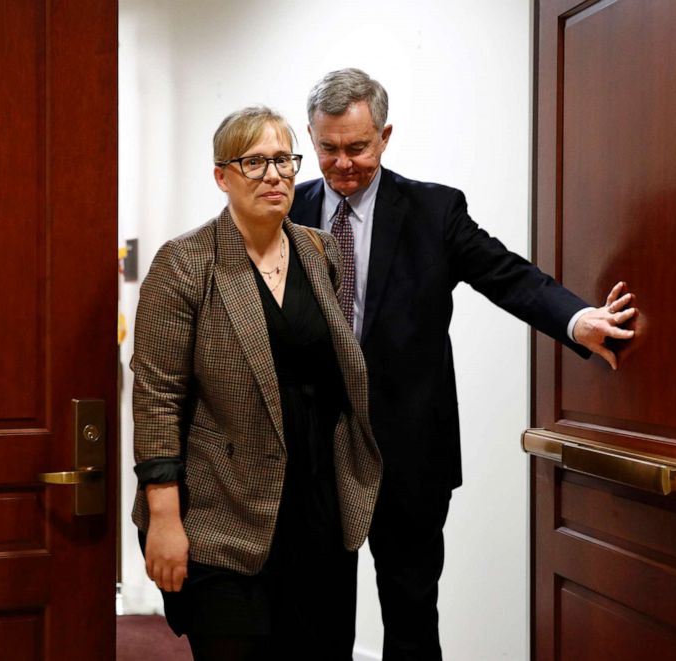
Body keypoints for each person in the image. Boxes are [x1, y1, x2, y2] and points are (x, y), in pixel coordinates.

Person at [289, 68, 637, 660]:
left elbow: (508, 275)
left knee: (411, 619)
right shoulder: (288, 211)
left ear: (386, 136)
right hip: (316, 456)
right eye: (328, 148)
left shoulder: (433, 209)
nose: (343, 163)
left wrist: (577, 320)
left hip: (409, 457)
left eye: (358, 148)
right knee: (317, 625)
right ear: (311, 137)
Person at [131, 105, 382, 660]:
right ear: (222, 176)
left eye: (284, 160)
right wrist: (165, 520)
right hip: (223, 514)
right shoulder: (185, 263)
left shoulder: (318, 252)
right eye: (255, 162)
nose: (274, 175)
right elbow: (157, 396)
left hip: (318, 508)